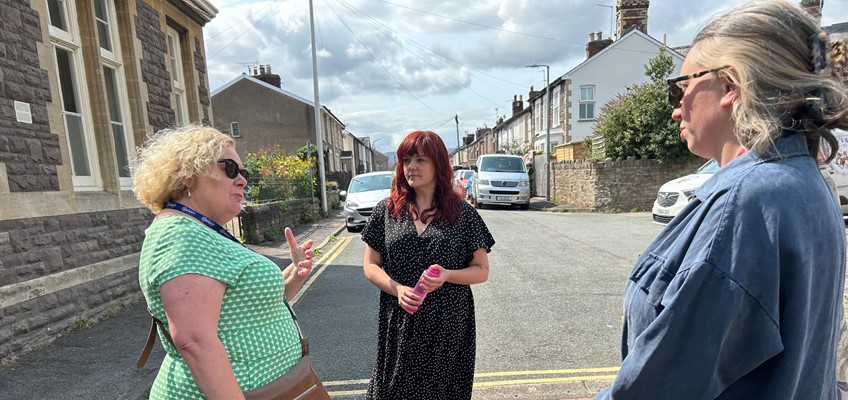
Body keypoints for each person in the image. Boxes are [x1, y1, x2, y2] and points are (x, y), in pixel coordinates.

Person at [595, 1, 848, 399]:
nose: (676, 110)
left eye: (681, 89)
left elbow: (658, 389)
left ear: (731, 85)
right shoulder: (808, 183)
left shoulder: (747, 201)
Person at [132, 125, 315, 399]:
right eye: (230, 169)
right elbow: (194, 341)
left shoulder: (200, 231)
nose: (242, 180)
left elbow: (245, 312)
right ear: (189, 173)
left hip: (275, 388)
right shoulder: (180, 234)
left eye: (244, 173)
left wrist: (293, 277)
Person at [361, 130, 495, 399]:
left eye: (420, 160)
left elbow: (481, 271)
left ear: (438, 164)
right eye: (406, 160)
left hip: (448, 324)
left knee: (442, 391)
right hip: (400, 317)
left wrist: (446, 275)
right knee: (393, 389)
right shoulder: (387, 211)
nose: (411, 167)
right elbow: (370, 265)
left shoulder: (463, 214)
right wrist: (397, 289)